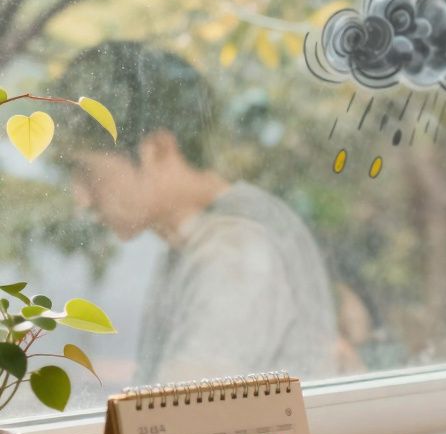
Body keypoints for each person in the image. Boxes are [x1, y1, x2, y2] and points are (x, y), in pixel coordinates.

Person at [57, 41, 339, 384]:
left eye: (88, 172)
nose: (81, 198)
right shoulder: (202, 234)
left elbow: (179, 421)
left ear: (158, 150)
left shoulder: (235, 249)